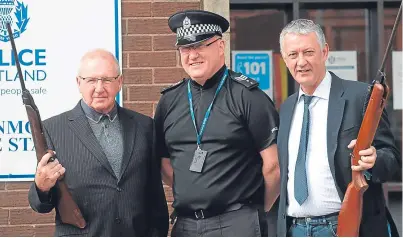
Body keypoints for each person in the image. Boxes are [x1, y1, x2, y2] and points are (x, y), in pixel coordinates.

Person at [154, 10, 280, 237]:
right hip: (186, 225)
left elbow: (273, 166)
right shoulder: (169, 100)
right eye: (185, 48)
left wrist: (256, 211)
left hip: (237, 222)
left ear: (221, 47)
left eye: (200, 46)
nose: (192, 55)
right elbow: (165, 163)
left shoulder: (248, 96)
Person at [276, 19, 400, 237]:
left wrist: (375, 159)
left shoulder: (361, 97)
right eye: (293, 55)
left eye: (308, 52)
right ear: (284, 59)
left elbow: (392, 160)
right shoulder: (286, 108)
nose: (301, 62)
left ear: (325, 52)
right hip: (295, 229)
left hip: (346, 227)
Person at [28, 49, 169, 236]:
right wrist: (41, 186)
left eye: (107, 80)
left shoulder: (145, 127)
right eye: (91, 80)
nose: (100, 88)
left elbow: (155, 196)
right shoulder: (52, 130)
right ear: (79, 83)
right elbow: (41, 205)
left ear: (119, 82)